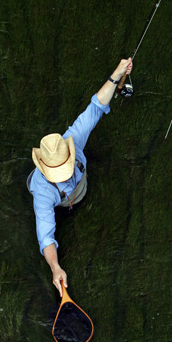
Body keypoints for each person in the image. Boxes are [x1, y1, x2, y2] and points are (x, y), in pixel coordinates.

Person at [27, 57, 133, 296]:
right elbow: (46, 235)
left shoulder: (72, 139)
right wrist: (55, 267)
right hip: (62, 204)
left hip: (80, 192)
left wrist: (116, 73)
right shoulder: (42, 192)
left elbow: (95, 106)